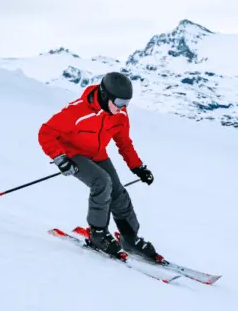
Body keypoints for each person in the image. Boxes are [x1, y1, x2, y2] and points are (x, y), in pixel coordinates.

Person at [37, 72, 158, 259]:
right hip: (72, 153)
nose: (123, 108)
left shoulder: (120, 115)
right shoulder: (77, 111)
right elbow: (46, 132)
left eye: (126, 103)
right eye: (119, 102)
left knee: (118, 191)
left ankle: (129, 238)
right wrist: (60, 158)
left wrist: (138, 168)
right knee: (102, 182)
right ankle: (98, 235)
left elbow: (124, 144)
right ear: (105, 95)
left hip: (97, 154)